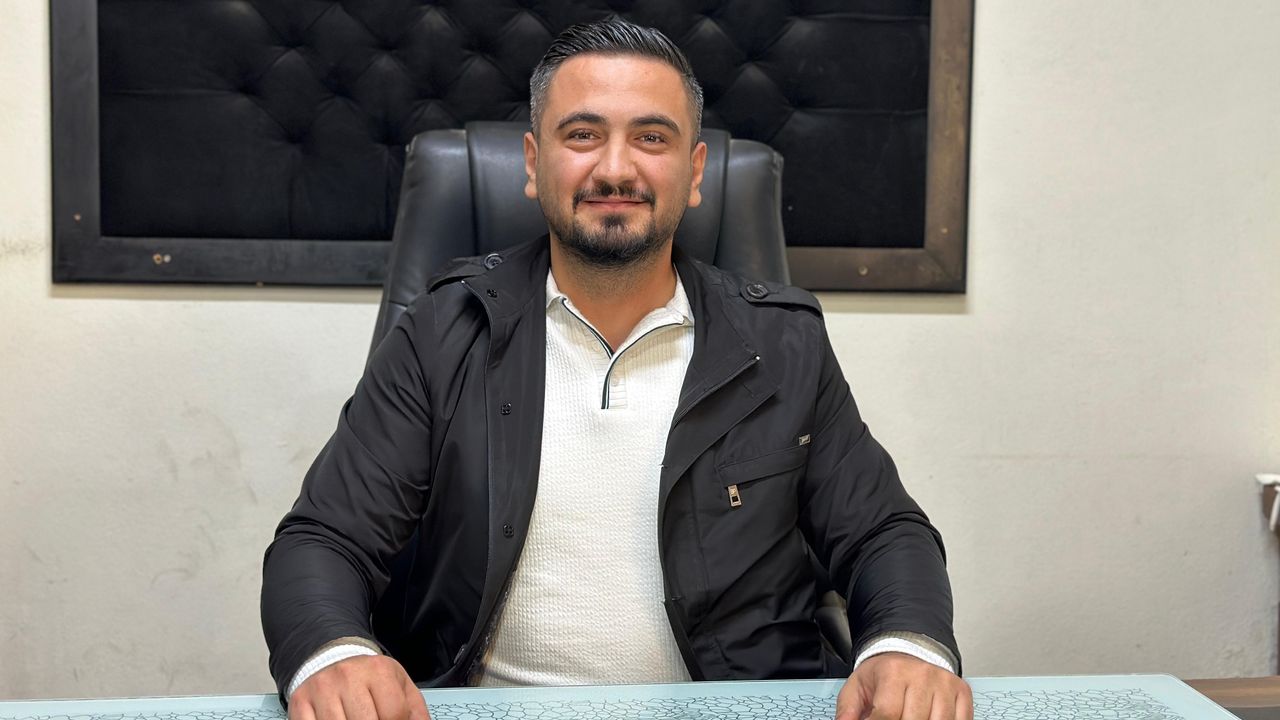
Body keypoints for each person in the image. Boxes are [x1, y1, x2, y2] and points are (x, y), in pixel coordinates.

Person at [261, 19, 971, 720]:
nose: (615, 169)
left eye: (651, 138)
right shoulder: (443, 332)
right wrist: (333, 653)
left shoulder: (783, 343)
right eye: (583, 134)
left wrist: (906, 647)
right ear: (533, 163)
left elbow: (883, 532)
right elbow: (324, 539)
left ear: (694, 171)